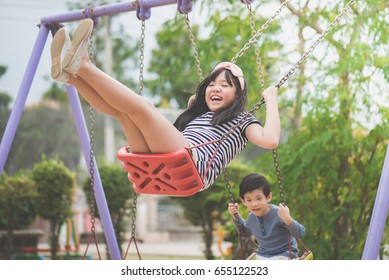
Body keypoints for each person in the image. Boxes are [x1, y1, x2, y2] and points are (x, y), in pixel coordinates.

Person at [50, 18, 281, 190]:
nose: (216, 88)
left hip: (189, 166)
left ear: (238, 95)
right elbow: (186, 121)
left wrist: (271, 100)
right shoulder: (200, 114)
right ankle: (70, 76)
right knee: (123, 113)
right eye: (212, 84)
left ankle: (85, 66)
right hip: (164, 161)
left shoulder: (242, 120)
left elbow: (270, 140)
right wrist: (195, 107)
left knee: (143, 107)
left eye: (225, 85)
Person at [228, 174, 305, 260]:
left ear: (268, 197)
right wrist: (236, 216)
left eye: (259, 198)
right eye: (249, 200)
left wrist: (288, 219)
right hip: (262, 255)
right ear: (243, 201)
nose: (254, 204)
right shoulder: (251, 217)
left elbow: (300, 233)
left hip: (284, 255)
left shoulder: (279, 213)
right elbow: (245, 233)